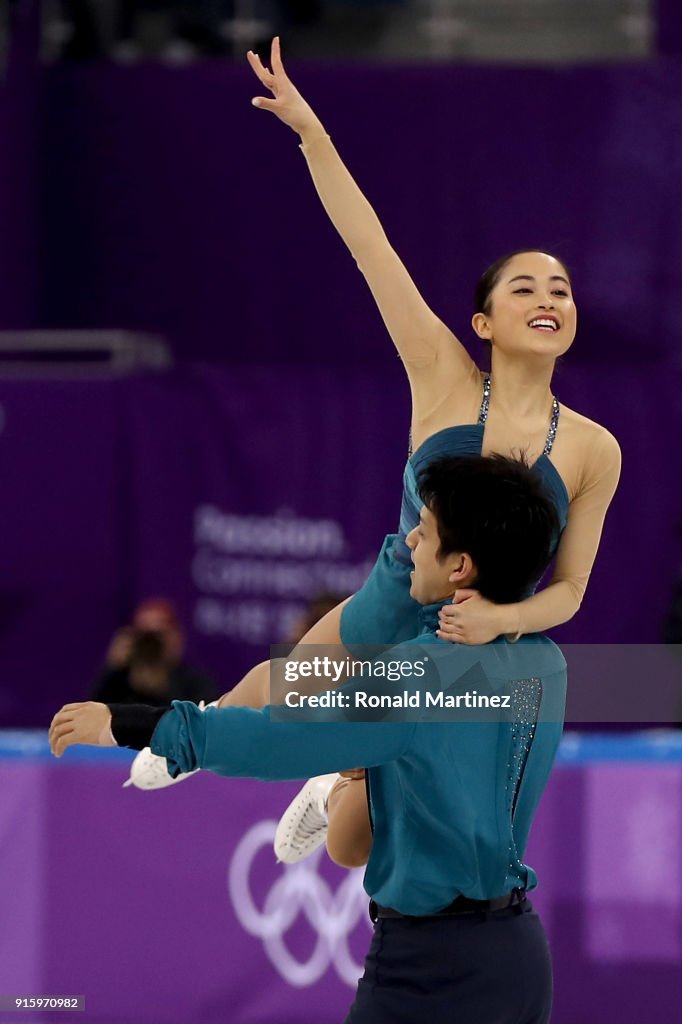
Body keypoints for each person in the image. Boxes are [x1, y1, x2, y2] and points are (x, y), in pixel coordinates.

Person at [125, 38, 621, 863]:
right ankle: (238, 746)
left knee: (354, 849)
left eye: (561, 288)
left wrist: (503, 616)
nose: (548, 298)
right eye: (524, 288)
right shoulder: (444, 379)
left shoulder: (595, 450)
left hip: (474, 652)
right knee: (272, 699)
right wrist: (313, 135)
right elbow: (371, 248)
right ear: (484, 323)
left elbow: (569, 591)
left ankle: (337, 781)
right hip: (389, 608)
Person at [50, 452, 567, 1024]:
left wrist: (134, 725)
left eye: (427, 532)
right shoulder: (545, 666)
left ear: (460, 566)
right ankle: (340, 787)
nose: (411, 541)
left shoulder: (419, 678)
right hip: (519, 959)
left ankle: (336, 787)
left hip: (431, 966)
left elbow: (276, 739)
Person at [92, 598, 219, 706]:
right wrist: (112, 667)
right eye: (144, 636)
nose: (150, 644)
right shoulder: (119, 680)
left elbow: (197, 723)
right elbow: (92, 718)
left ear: (176, 636)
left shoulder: (195, 683)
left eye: (157, 635)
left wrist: (163, 684)